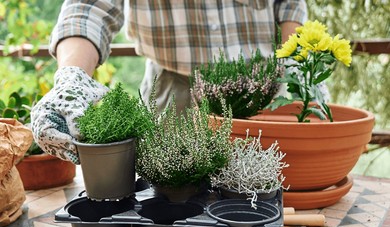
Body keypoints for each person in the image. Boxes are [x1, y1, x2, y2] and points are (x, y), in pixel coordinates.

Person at [31, 0, 308, 164]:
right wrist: (72, 78)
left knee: (274, 198)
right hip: (173, 95)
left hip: (266, 91)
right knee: (172, 198)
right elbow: (89, 7)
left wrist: (295, 65)